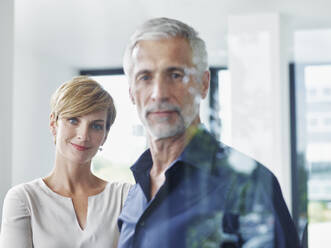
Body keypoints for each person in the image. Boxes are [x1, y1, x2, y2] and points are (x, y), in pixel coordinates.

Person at [117, 17, 300, 248]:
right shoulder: (135, 195)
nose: (159, 93)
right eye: (145, 77)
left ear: (203, 84)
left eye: (175, 75)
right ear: (132, 92)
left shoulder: (249, 185)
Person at [0, 76, 131, 248]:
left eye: (96, 126)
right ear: (54, 124)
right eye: (73, 120)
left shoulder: (124, 196)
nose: (83, 135)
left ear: (105, 136)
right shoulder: (24, 199)